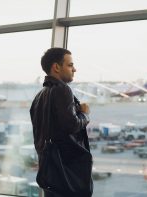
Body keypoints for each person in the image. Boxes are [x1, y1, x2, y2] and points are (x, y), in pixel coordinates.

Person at [30, 48, 93, 197]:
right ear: (56, 67)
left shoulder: (39, 97)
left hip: (50, 170)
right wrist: (84, 114)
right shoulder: (63, 90)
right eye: (70, 65)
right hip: (67, 172)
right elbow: (71, 125)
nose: (74, 69)